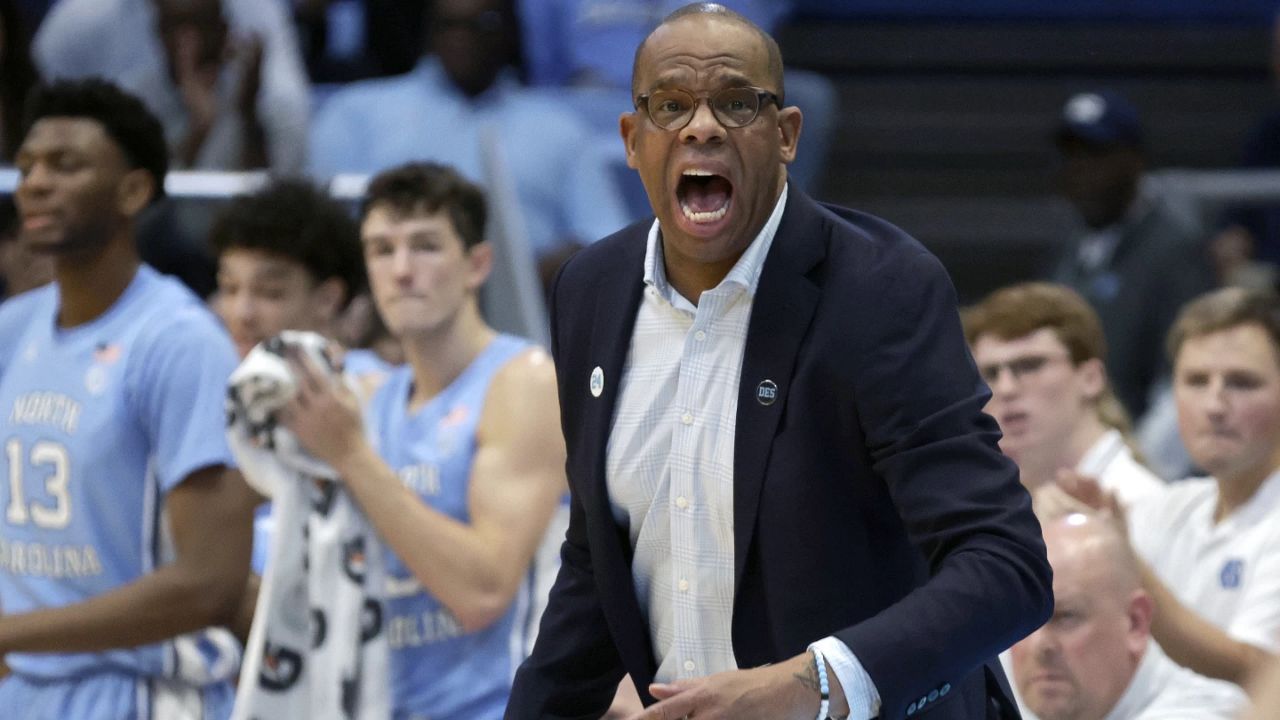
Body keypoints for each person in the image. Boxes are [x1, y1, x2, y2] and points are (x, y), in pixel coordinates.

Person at [506, 5, 1053, 719]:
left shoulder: (878, 290)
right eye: (670, 106)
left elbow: (1006, 566)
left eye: (736, 102)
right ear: (632, 140)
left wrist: (815, 683)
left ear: (787, 135)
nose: (701, 127)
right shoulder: (590, 292)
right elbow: (599, 561)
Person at [276, 162, 568, 719]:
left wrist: (352, 456)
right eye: (382, 250)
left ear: (476, 264)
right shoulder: (367, 396)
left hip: (496, 707)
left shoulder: (523, 382)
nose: (402, 270)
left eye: (426, 247)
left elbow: (482, 594)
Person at [0, 78, 253, 718]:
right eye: (27, 164)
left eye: (66, 164)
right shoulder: (13, 328)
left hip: (141, 693)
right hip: (25, 689)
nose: (34, 182)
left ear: (133, 191)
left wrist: (11, 633)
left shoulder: (179, 342)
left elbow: (212, 584)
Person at [308, 0, 632, 285]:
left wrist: (517, 278)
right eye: (449, 25)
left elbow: (605, 239)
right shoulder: (356, 113)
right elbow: (321, 232)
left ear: (511, 32)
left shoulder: (559, 128)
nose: (462, 36)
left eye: (482, 23)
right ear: (429, 33)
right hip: (388, 311)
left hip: (525, 322)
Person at [1064, 287, 1280, 692]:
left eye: (1242, 383)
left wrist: (1127, 563)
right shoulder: (1168, 508)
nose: (1215, 406)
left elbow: (1261, 670)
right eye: (1196, 381)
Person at [1050, 90, 1213, 423]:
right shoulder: (1071, 250)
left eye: (1096, 154)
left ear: (1135, 161)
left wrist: (1141, 464)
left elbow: (1184, 380)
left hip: (1136, 453)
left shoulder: (1175, 250)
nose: (1080, 170)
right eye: (1071, 156)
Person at [1008, 513, 1243, 720]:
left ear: (1135, 622)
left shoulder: (1205, 713)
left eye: (1066, 617)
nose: (1040, 645)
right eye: (1025, 621)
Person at [33, 0, 310, 172]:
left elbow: (272, 194)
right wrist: (199, 129)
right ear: (157, 31)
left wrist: (248, 113)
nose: (189, 42)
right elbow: (147, 208)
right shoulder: (136, 98)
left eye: (200, 26)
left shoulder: (256, 90)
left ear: (224, 27)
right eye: (176, 28)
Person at [963, 282, 1166, 508]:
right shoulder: (994, 502)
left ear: (1091, 378)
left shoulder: (1141, 502)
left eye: (1030, 365)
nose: (1005, 389)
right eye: (990, 373)